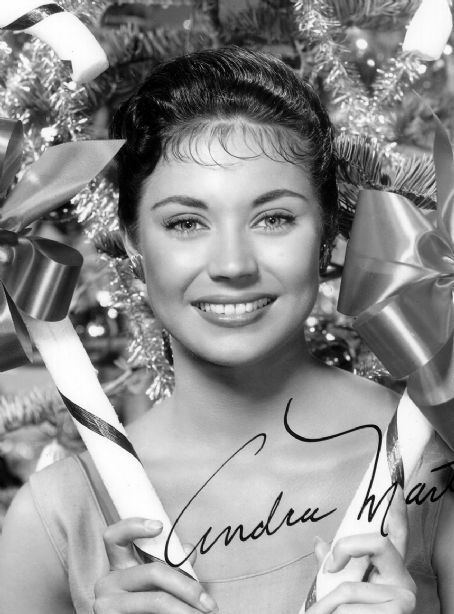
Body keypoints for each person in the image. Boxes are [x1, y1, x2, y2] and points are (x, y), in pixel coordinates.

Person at [0, 47, 453, 614]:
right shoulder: (57, 517)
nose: (233, 264)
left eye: (274, 218)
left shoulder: (436, 472)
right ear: (135, 241)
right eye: (186, 223)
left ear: (327, 230)